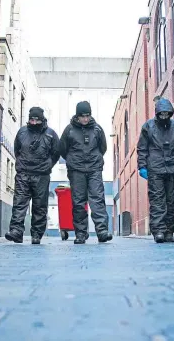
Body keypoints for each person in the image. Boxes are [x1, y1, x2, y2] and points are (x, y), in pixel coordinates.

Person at [137, 98, 174, 243]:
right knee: (157, 200)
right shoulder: (148, 127)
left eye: (167, 114)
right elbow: (142, 149)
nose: (164, 116)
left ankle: (168, 231)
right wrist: (142, 166)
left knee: (172, 201)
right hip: (156, 169)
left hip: (173, 168)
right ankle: (158, 230)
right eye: (162, 114)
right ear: (157, 113)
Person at [60, 101, 113, 244]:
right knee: (78, 202)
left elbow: (103, 148)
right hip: (76, 170)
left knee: (97, 199)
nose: (85, 119)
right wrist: (73, 161)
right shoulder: (69, 130)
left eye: (87, 116)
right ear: (77, 116)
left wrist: (94, 160)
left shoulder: (97, 129)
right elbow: (62, 149)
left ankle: (102, 231)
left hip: (94, 169)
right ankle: (81, 234)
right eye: (82, 116)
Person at [5, 107, 60, 244]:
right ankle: (16, 231)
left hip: (41, 175)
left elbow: (56, 153)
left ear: (42, 119)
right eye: (32, 119)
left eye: (36, 119)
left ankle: (37, 234)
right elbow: (17, 150)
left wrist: (48, 165)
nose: (34, 122)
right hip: (23, 173)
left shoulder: (51, 134)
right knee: (19, 203)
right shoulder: (22, 132)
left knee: (40, 205)